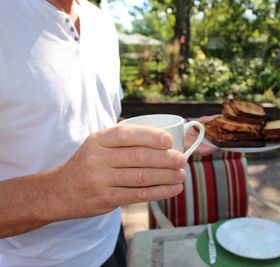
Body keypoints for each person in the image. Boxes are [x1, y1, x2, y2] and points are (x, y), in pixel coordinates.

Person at [0, 1, 215, 266]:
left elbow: (102, 118)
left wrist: (173, 135)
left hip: (112, 243)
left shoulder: (102, 22)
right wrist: (62, 189)